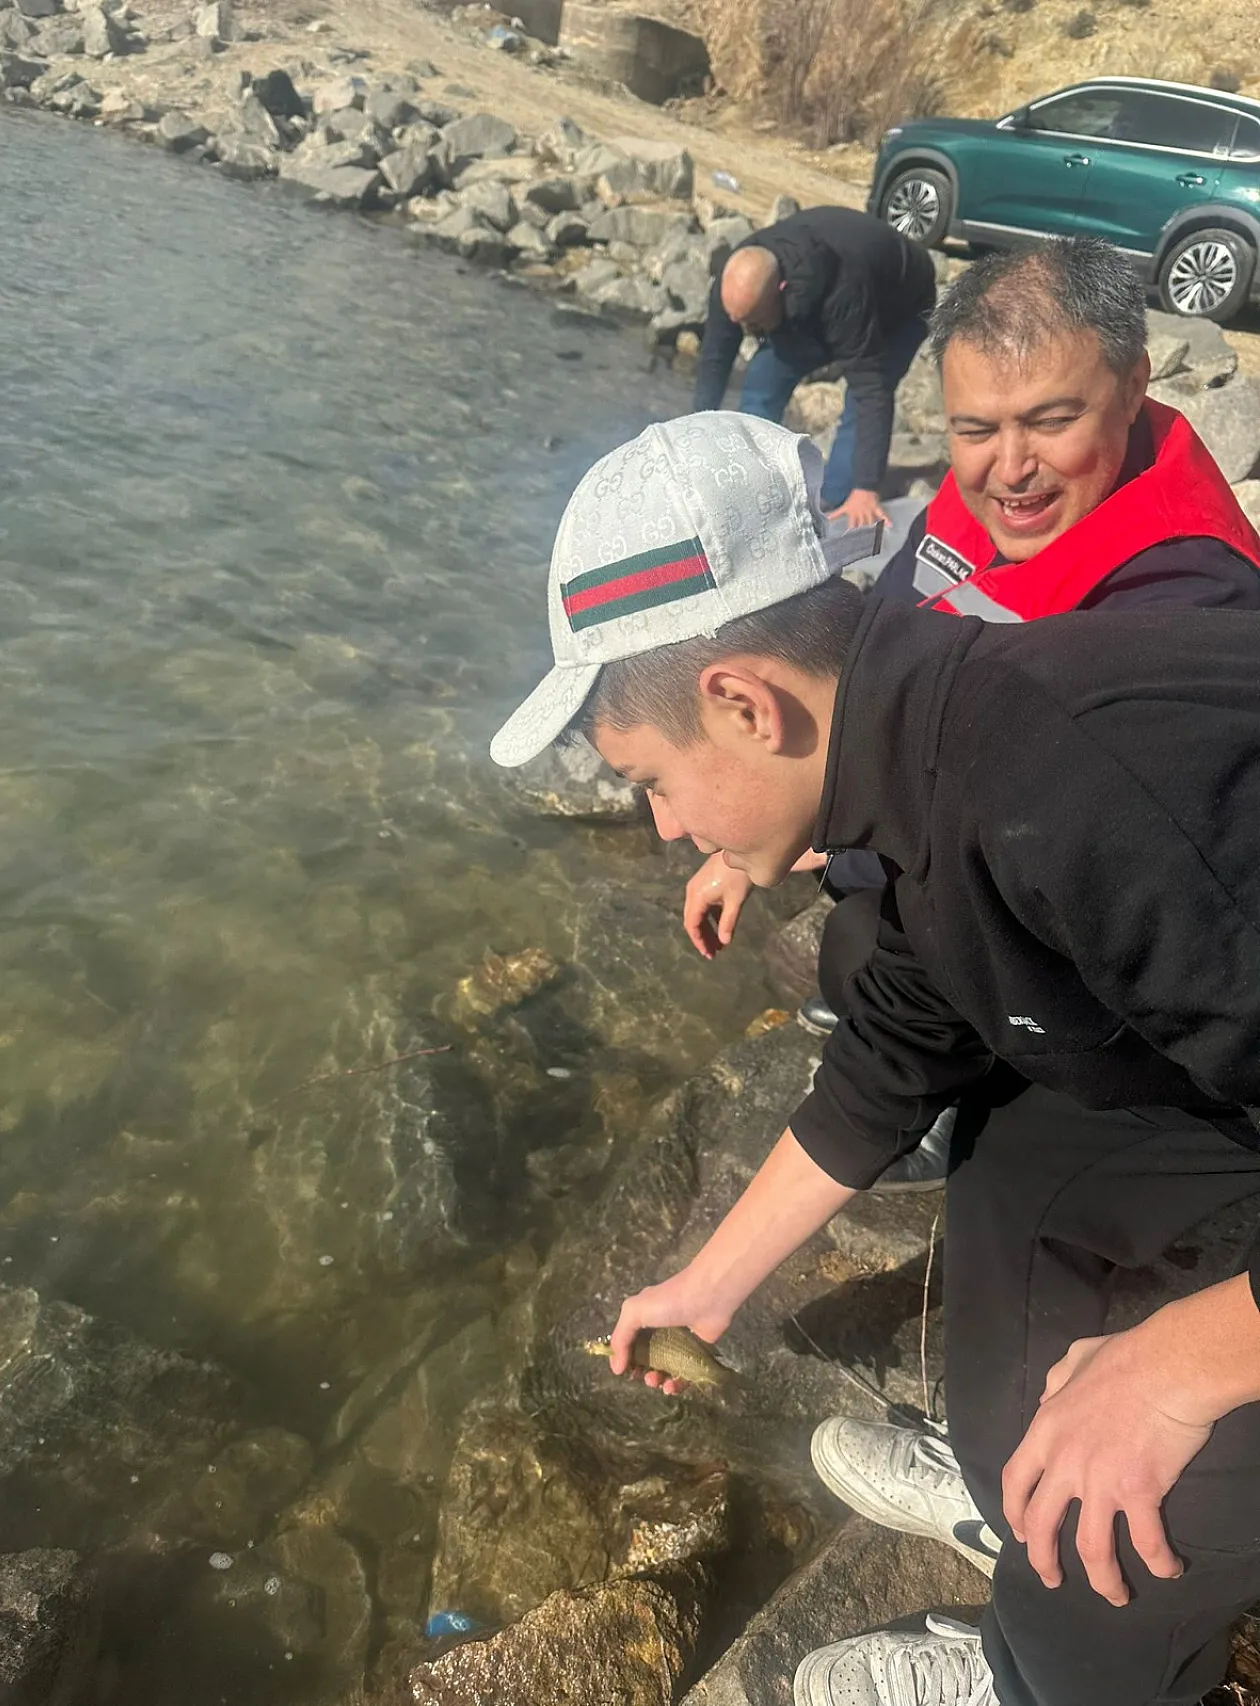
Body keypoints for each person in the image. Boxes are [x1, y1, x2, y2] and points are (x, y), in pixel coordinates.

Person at [489, 409, 1260, 1706]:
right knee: (1007, 1145)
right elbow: (891, 1063)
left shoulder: (1091, 789)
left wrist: (1178, 1364)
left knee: (1118, 1518)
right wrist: (708, 1285)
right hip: (1206, 1093)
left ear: (743, 699)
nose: (667, 825)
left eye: (653, 782)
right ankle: (1009, 1490)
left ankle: (1064, 1663)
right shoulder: (923, 754)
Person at [683, 237, 1260, 1188]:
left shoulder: (1182, 600)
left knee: (859, 952)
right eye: (975, 429)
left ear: (1134, 381)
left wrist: (824, 836)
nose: (1011, 469)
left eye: (1052, 420)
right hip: (971, 834)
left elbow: (1074, 860)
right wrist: (759, 823)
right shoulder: (990, 494)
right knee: (853, 934)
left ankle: (987, 1101)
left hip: (1094, 940)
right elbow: (880, 662)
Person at [692, 205, 936, 529]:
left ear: (779, 291)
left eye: (753, 322)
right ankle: (747, 479)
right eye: (741, 323)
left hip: (901, 303)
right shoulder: (737, 281)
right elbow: (714, 359)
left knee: (860, 399)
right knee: (762, 382)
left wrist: (866, 486)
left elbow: (870, 390)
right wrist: (691, 437)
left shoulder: (845, 296)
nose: (747, 332)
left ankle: (833, 502)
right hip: (809, 295)